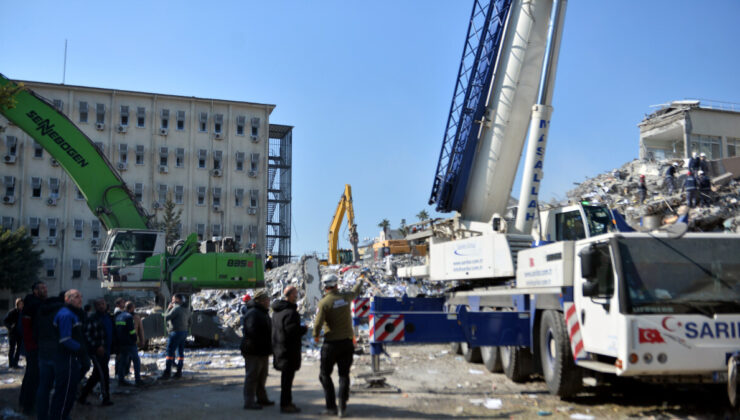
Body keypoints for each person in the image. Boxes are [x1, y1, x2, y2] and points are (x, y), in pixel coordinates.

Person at [313, 273, 366, 417]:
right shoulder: (345, 297)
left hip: (331, 344)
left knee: (324, 374)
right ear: (336, 285)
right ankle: (342, 406)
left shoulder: (324, 303)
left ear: (325, 287)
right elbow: (355, 292)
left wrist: (315, 336)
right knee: (344, 375)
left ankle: (331, 407)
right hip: (347, 343)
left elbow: (318, 323)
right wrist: (360, 281)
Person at [49, 289, 88, 420]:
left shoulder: (72, 313)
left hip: (70, 358)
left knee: (69, 391)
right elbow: (65, 339)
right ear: (67, 299)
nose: (80, 299)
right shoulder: (66, 314)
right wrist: (81, 349)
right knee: (65, 392)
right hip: (66, 358)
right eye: (76, 297)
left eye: (80, 296)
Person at [271, 286, 308, 414]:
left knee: (285, 379)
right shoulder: (291, 313)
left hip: (280, 349)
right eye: (295, 294)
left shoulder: (277, 312)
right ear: (291, 295)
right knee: (287, 381)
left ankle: (287, 402)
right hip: (288, 351)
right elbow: (292, 331)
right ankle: (285, 404)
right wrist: (304, 329)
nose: (297, 296)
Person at [241, 289, 274, 410]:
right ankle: (249, 402)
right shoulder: (253, 313)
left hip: (262, 350)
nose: (269, 302)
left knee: (262, 376)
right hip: (253, 351)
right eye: (267, 300)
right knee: (252, 376)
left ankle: (262, 398)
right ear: (260, 301)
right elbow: (251, 333)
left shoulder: (262, 312)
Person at [78, 298, 114, 406]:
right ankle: (105, 398)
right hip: (97, 351)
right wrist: (97, 346)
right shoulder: (92, 318)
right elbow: (86, 334)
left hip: (107, 350)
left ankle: (82, 396)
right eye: (99, 304)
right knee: (103, 374)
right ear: (95, 307)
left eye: (103, 304)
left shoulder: (109, 317)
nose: (102, 306)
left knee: (96, 376)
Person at [19, 281, 47, 415]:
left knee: (31, 374)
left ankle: (24, 401)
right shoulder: (32, 305)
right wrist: (31, 345)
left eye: (45, 288)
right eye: (42, 288)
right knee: (34, 376)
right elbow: (26, 327)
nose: (45, 290)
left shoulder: (35, 304)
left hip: (35, 345)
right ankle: (28, 406)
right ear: (35, 291)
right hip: (33, 346)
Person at [36, 292, 64, 420]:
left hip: (43, 352)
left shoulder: (41, 312)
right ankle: (56, 415)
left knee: (43, 386)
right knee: (61, 388)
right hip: (58, 353)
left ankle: (42, 416)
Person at [161, 294, 191, 379]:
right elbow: (190, 322)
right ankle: (179, 372)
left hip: (175, 333)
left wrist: (168, 309)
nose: (172, 300)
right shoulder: (187, 309)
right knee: (180, 353)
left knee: (169, 352)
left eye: (173, 299)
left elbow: (166, 318)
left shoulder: (176, 308)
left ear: (178, 299)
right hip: (184, 332)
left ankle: (167, 373)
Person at [115, 301, 143, 386]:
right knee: (136, 361)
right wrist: (135, 339)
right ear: (131, 308)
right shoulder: (129, 317)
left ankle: (121, 379)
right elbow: (132, 331)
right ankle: (137, 380)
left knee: (123, 361)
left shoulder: (118, 316)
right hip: (130, 343)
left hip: (121, 343)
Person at [3, 298, 23, 368]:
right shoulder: (12, 312)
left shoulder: (23, 312)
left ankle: (16, 363)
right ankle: (11, 363)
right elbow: (5, 321)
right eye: (20, 304)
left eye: (22, 304)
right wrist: (10, 327)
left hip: (20, 333)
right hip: (13, 333)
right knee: (12, 348)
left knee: (19, 349)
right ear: (17, 304)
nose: (21, 305)